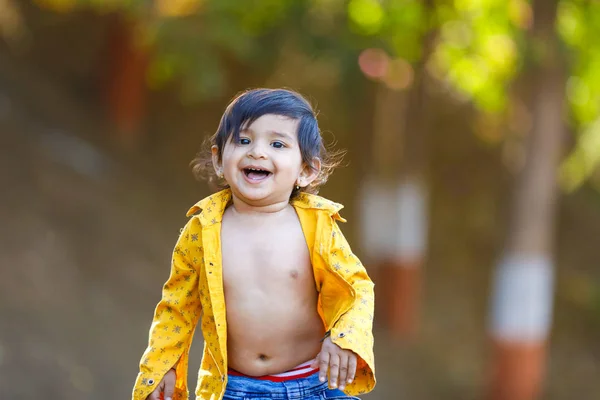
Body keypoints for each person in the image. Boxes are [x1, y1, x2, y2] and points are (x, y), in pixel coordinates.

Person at [131, 88, 375, 400]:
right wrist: (161, 367)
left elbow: (355, 288)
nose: (257, 152)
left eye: (277, 144)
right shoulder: (203, 230)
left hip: (316, 384)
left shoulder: (317, 226)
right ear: (219, 160)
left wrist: (344, 338)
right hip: (235, 389)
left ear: (306, 170)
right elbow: (177, 308)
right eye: (244, 140)